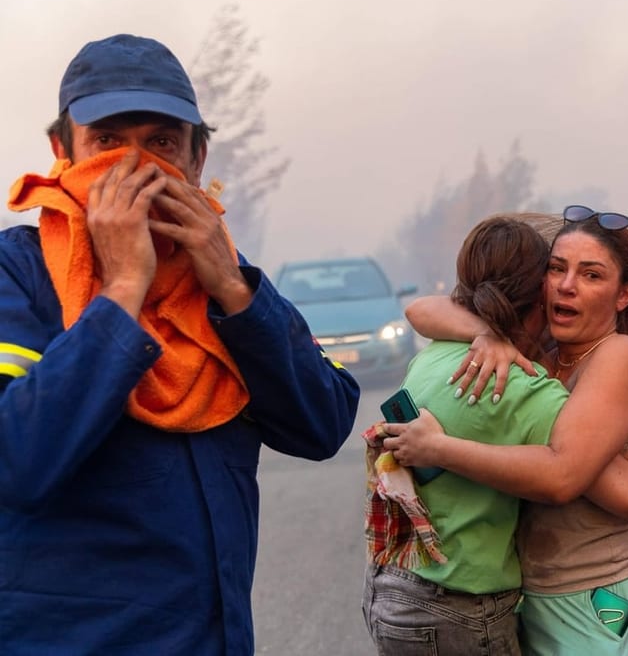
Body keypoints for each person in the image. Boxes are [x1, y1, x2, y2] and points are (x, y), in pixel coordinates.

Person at [0, 34, 360, 654]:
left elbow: (323, 423)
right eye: (108, 142)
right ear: (62, 151)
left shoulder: (220, 276)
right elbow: (19, 460)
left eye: (161, 143)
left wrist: (237, 293)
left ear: (197, 160)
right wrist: (123, 288)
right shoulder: (17, 275)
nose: (137, 167)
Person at [384, 206, 628, 655]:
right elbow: (420, 309)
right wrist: (488, 332)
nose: (566, 284)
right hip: (535, 601)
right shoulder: (546, 351)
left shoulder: (617, 356)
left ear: (624, 294)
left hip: (598, 601)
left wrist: (441, 449)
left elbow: (565, 477)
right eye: (557, 268)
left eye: (591, 275)